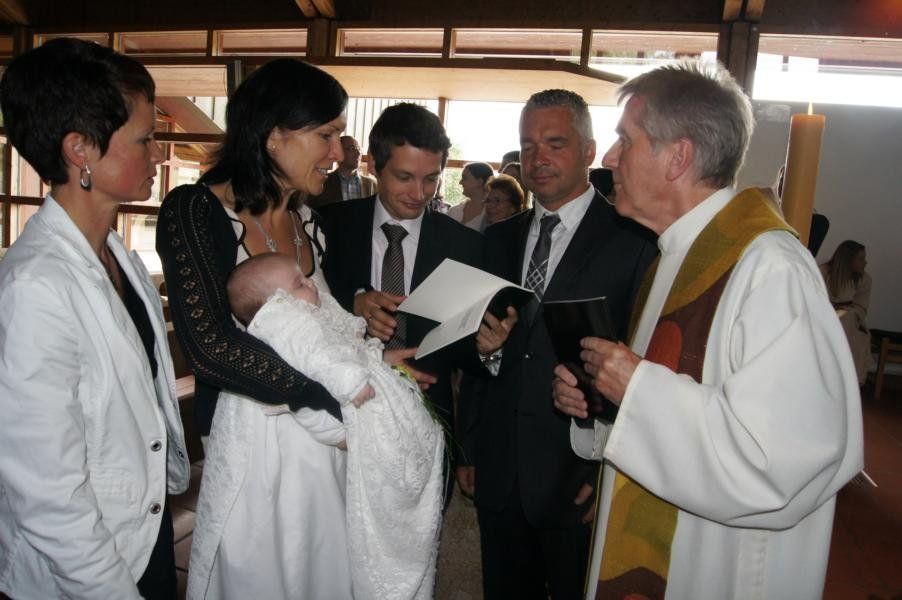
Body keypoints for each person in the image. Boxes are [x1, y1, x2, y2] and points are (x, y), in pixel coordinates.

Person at [553, 62, 863, 599]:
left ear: (678, 157)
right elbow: (666, 410)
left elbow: (783, 464)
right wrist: (598, 406)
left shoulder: (771, 269)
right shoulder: (673, 256)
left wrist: (636, 387)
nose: (609, 158)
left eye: (626, 140)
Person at [156, 58, 378, 600]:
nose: (337, 153)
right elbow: (210, 345)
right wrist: (322, 396)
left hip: (325, 448)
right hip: (253, 451)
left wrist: (373, 358)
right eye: (326, 135)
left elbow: (320, 330)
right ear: (274, 134)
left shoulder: (311, 225)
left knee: (323, 572)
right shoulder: (195, 211)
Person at [0, 38, 190, 599]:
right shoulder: (35, 287)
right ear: (79, 149)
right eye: (145, 139)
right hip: (85, 567)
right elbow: (47, 489)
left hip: (139, 530)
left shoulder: (116, 255)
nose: (158, 155)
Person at [470, 89, 657, 600]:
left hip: (577, 474)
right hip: (500, 468)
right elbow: (479, 349)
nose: (538, 159)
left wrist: (609, 469)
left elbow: (646, 361)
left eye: (555, 144)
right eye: (528, 146)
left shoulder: (634, 241)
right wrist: (473, 445)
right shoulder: (497, 239)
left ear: (590, 151)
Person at [226, 253, 445, 600]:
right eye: (300, 283)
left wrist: (368, 357)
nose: (311, 284)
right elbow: (317, 356)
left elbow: (340, 344)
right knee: (310, 533)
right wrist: (350, 391)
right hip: (316, 425)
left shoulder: (306, 310)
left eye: (305, 277)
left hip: (339, 406)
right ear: (276, 305)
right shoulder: (287, 322)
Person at [318, 102, 486, 509]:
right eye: (405, 177)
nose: (419, 194)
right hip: (339, 416)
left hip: (427, 421)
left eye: (431, 179)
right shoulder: (325, 226)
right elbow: (301, 313)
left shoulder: (465, 246)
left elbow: (466, 358)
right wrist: (351, 305)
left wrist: (487, 347)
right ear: (374, 165)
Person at [821, 240, 872, 385]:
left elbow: (860, 309)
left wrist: (843, 311)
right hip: (824, 314)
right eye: (860, 259)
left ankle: (844, 379)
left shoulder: (864, 280)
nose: (865, 262)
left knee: (846, 320)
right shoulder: (823, 272)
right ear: (848, 259)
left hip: (850, 322)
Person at [308, 134, 377, 209]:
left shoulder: (372, 184)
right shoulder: (322, 183)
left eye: (359, 149)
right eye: (352, 148)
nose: (358, 153)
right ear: (339, 152)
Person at [448, 161, 493, 231]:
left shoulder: (491, 214)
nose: (460, 182)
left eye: (465, 178)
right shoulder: (454, 211)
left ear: (479, 182)